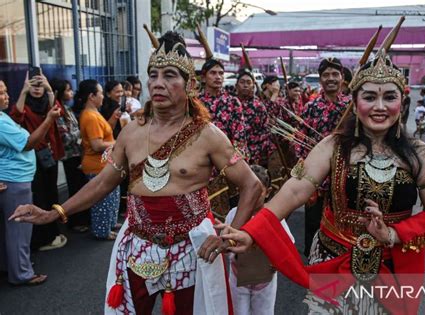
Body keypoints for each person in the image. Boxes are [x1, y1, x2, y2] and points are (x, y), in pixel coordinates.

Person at [10, 31, 261, 314]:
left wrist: (228, 236)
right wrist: (54, 212)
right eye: (153, 75)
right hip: (137, 246)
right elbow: (103, 182)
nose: (158, 83)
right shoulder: (131, 132)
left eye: (169, 76)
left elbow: (252, 185)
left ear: (189, 84)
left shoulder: (208, 135)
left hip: (191, 249)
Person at [220, 50, 425, 314]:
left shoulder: (419, 153)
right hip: (333, 259)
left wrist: (392, 234)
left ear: (402, 101)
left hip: (393, 265)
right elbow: (296, 190)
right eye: (369, 97)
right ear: (354, 103)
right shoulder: (333, 146)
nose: (379, 106)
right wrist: (251, 231)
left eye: (389, 97)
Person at [0, 80, 61, 285]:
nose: (6, 96)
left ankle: (13, 267)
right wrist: (48, 120)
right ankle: (22, 274)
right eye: (1, 93)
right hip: (14, 180)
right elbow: (28, 143)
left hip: (15, 178)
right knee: (20, 229)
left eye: (6, 91)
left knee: (11, 228)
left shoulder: (3, 117)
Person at [297, 58, 351, 257]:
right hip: (316, 179)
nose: (331, 79)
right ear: (320, 80)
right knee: (313, 223)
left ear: (342, 78)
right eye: (326, 75)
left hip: (344, 175)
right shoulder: (310, 107)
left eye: (335, 74)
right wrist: (305, 170)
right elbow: (299, 139)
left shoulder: (352, 107)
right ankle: (312, 263)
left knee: (342, 224)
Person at [225, 165, 293, 315]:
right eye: (248, 191)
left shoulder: (274, 217)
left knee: (264, 312)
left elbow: (288, 243)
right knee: (238, 311)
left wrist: (276, 262)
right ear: (240, 191)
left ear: (267, 193)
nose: (252, 197)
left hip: (264, 280)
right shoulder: (234, 215)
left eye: (258, 192)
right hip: (238, 277)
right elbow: (226, 242)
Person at [10, 71, 67, 251]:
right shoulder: (24, 105)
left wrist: (50, 90)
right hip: (32, 158)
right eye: (33, 85)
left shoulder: (48, 102)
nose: (37, 89)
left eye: (40, 85)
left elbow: (59, 112)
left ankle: (53, 233)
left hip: (49, 154)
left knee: (52, 195)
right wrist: (23, 92)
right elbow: (15, 118)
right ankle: (43, 238)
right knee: (39, 196)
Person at [74, 79, 120, 240]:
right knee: (102, 201)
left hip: (104, 164)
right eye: (100, 93)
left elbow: (103, 133)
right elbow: (97, 144)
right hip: (96, 165)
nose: (103, 96)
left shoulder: (94, 113)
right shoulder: (91, 116)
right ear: (91, 96)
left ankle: (109, 225)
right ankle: (102, 231)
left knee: (110, 198)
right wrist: (118, 143)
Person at [50, 79, 90, 233]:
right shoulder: (58, 111)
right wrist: (81, 132)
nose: (71, 93)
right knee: (75, 188)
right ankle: (74, 221)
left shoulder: (68, 109)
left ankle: (82, 219)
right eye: (67, 90)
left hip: (77, 152)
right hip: (70, 155)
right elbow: (65, 137)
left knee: (81, 186)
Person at [199, 57, 247, 153]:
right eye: (213, 73)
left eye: (221, 73)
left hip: (225, 156)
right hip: (199, 156)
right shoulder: (196, 102)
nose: (218, 77)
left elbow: (239, 136)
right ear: (203, 78)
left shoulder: (233, 102)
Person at [235, 68, 274, 166]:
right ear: (236, 86)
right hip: (232, 154)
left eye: (248, 83)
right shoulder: (230, 104)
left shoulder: (259, 106)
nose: (245, 85)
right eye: (242, 82)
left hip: (255, 155)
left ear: (253, 87)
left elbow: (266, 130)